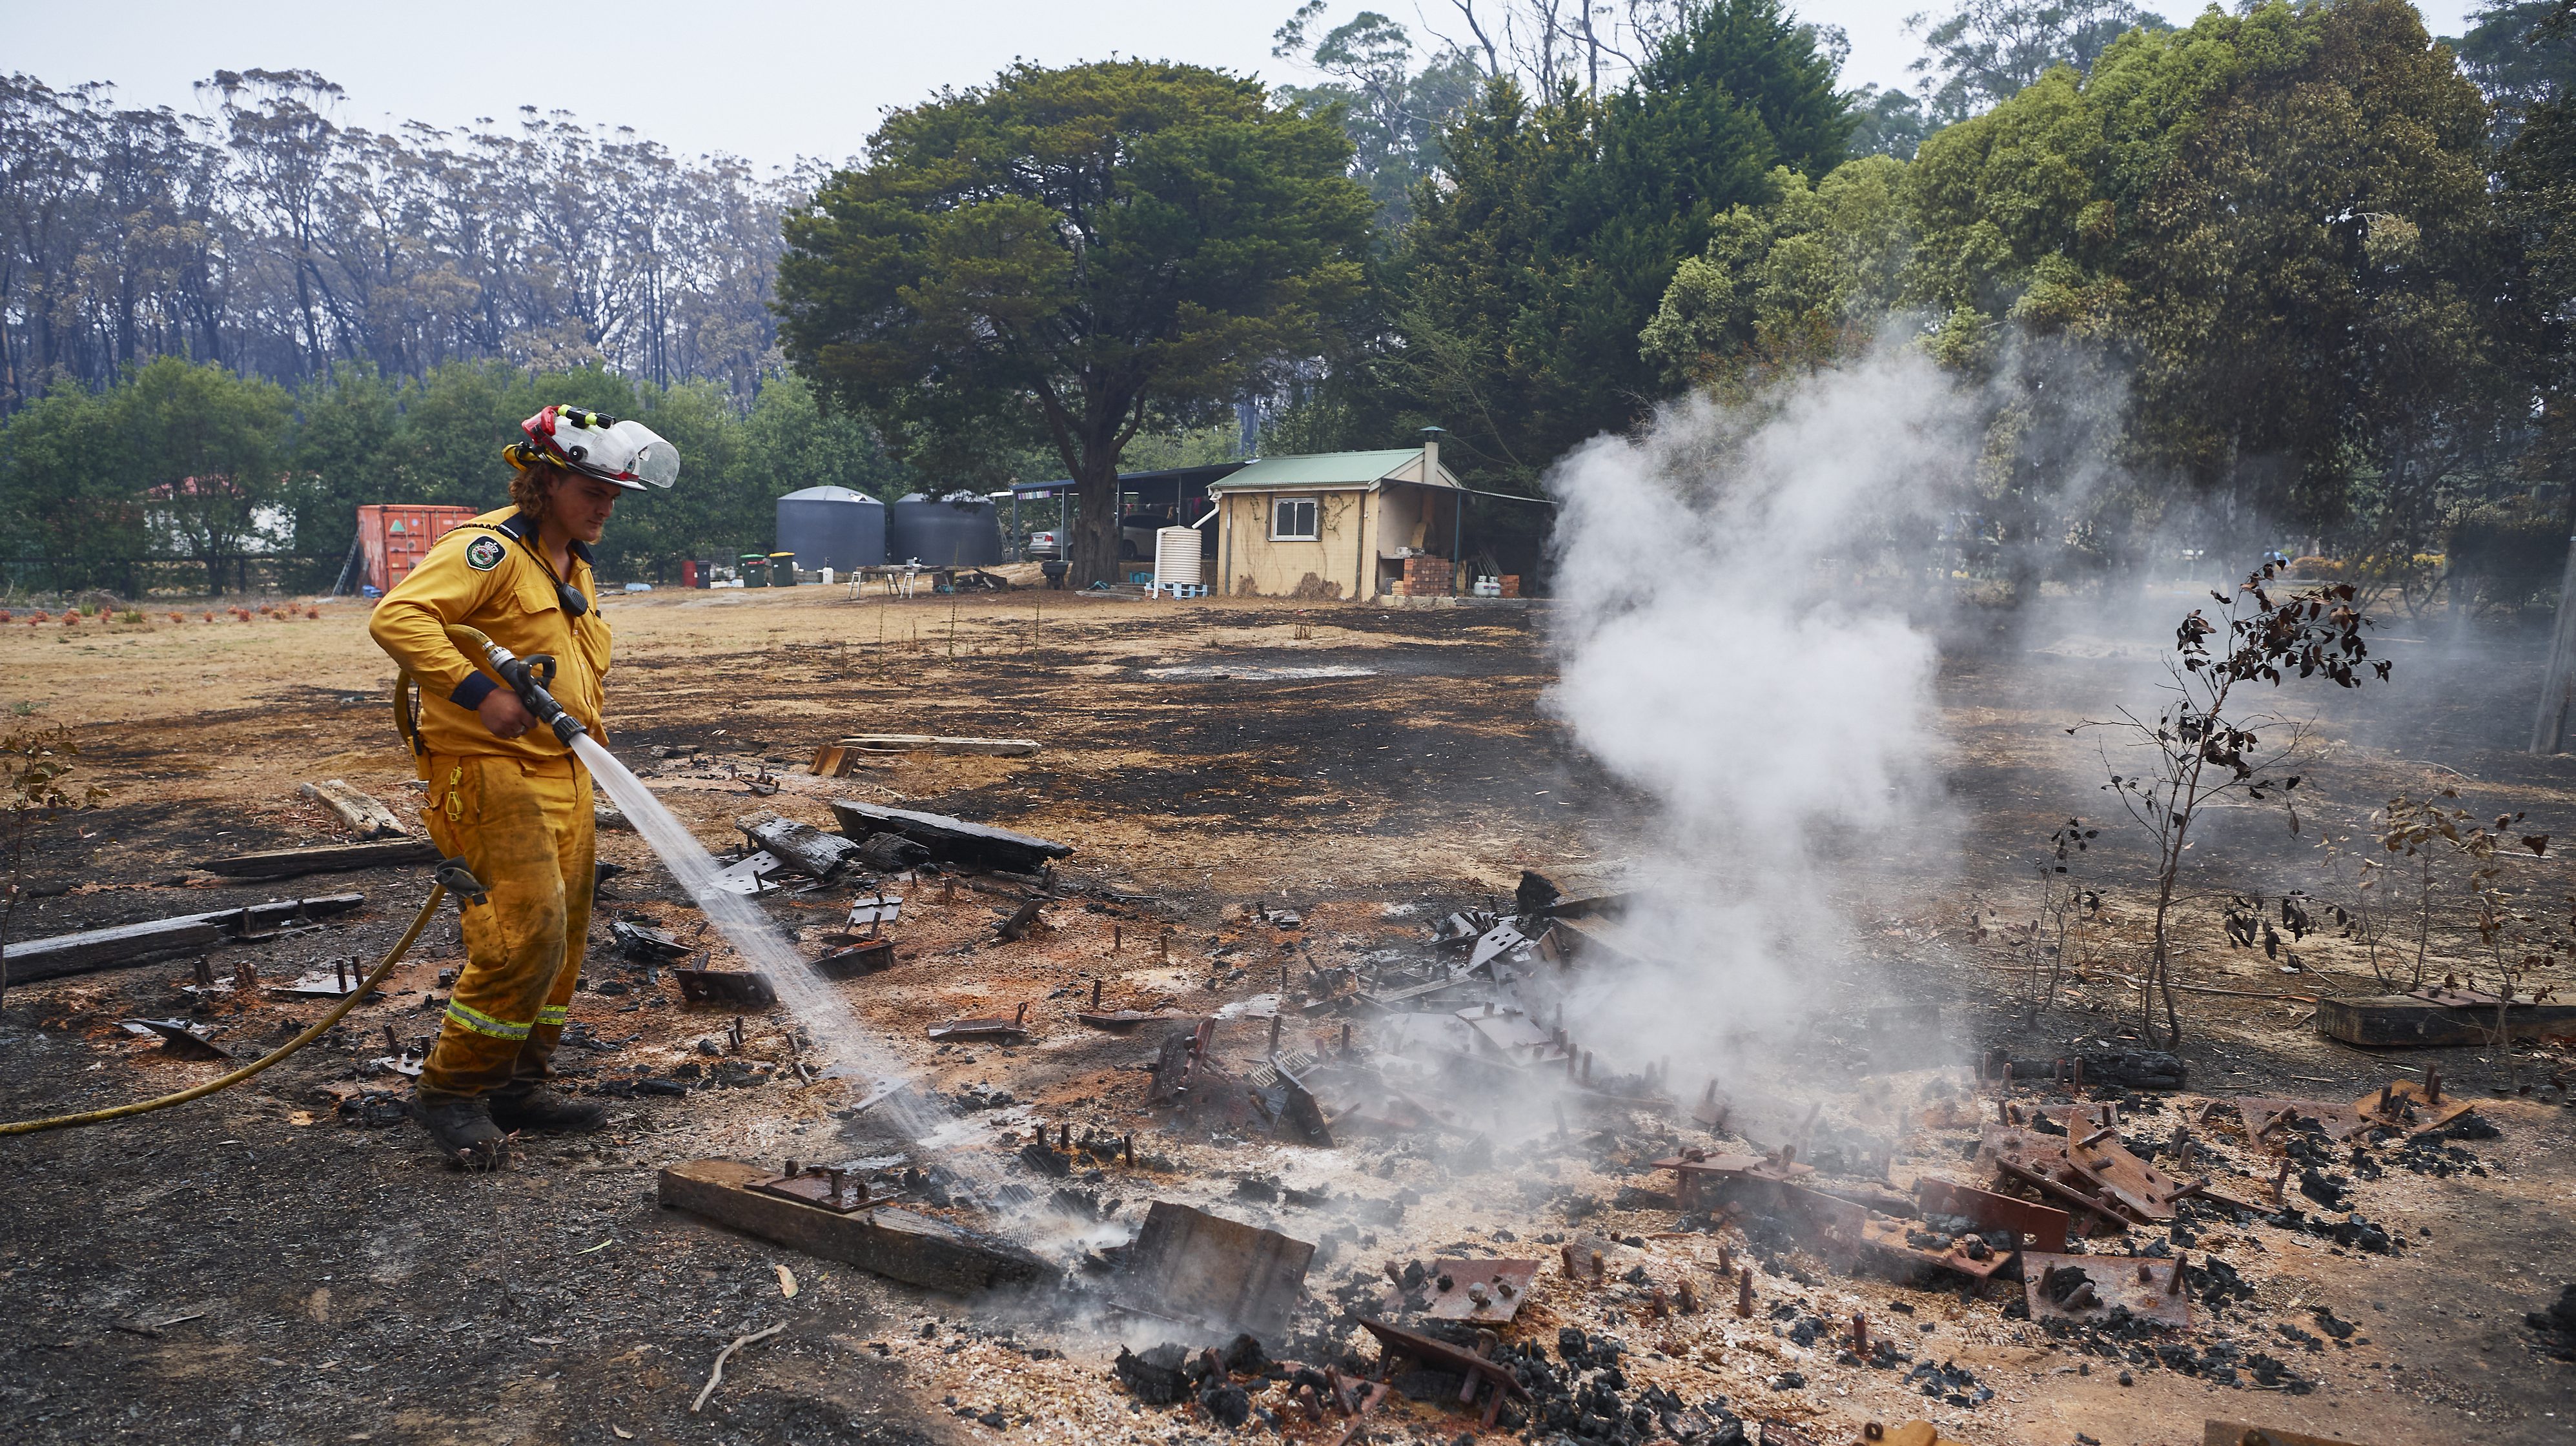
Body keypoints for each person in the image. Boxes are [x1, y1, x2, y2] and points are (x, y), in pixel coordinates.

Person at [368, 405, 679, 1165]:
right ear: (545, 481)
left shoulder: (574, 561)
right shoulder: (489, 548)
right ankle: (451, 1091)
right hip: (487, 771)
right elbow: (399, 616)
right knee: (523, 933)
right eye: (593, 490)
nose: (607, 506)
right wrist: (481, 694)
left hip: (564, 771)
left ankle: (517, 1086)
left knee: (564, 940)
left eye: (614, 495)